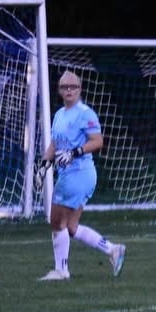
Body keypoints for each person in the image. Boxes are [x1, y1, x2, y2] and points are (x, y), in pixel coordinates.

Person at [39, 70, 126, 281]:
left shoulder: (86, 113)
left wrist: (74, 152)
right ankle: (113, 249)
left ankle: (61, 271)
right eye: (64, 87)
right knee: (71, 227)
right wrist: (43, 166)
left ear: (80, 89)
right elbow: (54, 144)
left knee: (56, 222)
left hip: (78, 174)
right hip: (73, 176)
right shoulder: (59, 114)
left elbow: (97, 141)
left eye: (73, 86)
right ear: (59, 90)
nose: (69, 90)